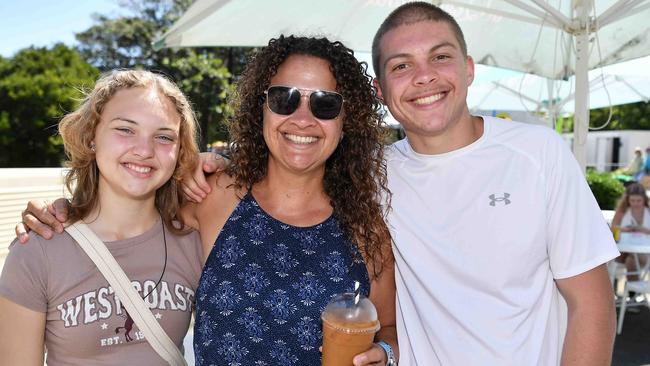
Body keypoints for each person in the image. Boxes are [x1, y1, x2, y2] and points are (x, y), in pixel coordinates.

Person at [177, 2, 618, 365]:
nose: (424, 76)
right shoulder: (374, 178)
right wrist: (198, 162)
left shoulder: (536, 153)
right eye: (402, 65)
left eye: (440, 57)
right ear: (381, 90)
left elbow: (592, 305)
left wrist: (383, 349)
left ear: (468, 68)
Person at [14, 36, 397, 366]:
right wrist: (63, 213)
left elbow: (392, 328)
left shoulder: (364, 226)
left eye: (325, 104)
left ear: (347, 120)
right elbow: (125, 206)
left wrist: (385, 352)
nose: (302, 118)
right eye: (285, 98)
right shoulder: (213, 196)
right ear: (259, 108)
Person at [0, 70, 204, 365]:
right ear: (92, 136)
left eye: (163, 137)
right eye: (125, 129)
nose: (144, 150)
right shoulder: (38, 249)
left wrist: (218, 163)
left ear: (179, 152)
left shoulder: (194, 241)